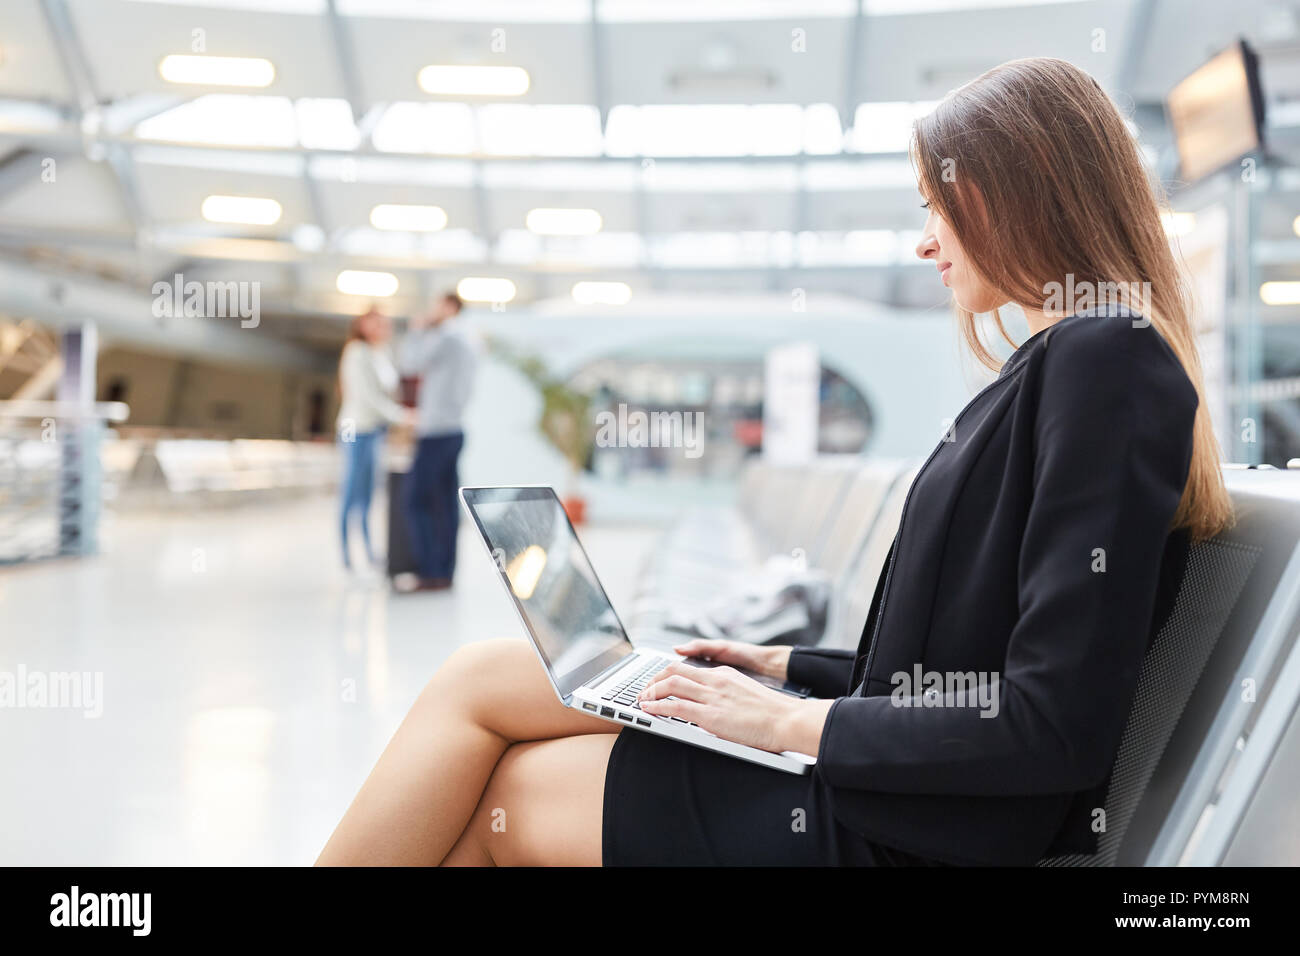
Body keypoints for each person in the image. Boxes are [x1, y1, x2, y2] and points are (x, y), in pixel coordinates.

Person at [317, 58, 1234, 867]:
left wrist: (784, 720)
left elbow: (1052, 723)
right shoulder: (1065, 365)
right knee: (482, 679)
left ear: (1021, 186)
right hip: (894, 782)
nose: (927, 241)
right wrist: (778, 666)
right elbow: (948, 667)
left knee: (513, 797)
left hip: (914, 828)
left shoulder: (1104, 362)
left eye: (936, 204)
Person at [396, 292, 477, 592]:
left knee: (416, 500)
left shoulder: (446, 337)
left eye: (436, 305)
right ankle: (444, 571)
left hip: (435, 432)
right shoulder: (471, 338)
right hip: (454, 429)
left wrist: (417, 330)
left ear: (449, 307)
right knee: (445, 505)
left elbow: (409, 364)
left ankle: (429, 572)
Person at [336, 308, 410, 573]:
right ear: (363, 325)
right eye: (377, 323)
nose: (383, 328)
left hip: (375, 431)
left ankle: (368, 550)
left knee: (369, 493)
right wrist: (402, 416)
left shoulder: (382, 354)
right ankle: (345, 553)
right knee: (351, 491)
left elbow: (390, 391)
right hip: (355, 430)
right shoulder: (357, 352)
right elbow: (367, 397)